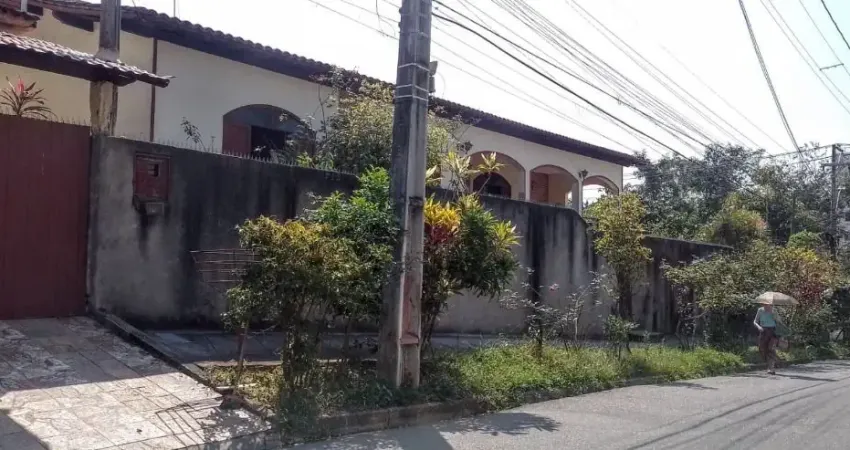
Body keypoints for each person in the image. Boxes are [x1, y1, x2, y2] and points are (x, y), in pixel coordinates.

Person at [754, 303, 781, 374]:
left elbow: (779, 321)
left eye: (768, 305)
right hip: (763, 330)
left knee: (771, 349)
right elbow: (755, 321)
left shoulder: (774, 310)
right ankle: (774, 361)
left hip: (772, 331)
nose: (766, 306)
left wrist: (774, 314)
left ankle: (771, 368)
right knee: (762, 348)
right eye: (765, 305)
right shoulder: (760, 310)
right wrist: (759, 327)